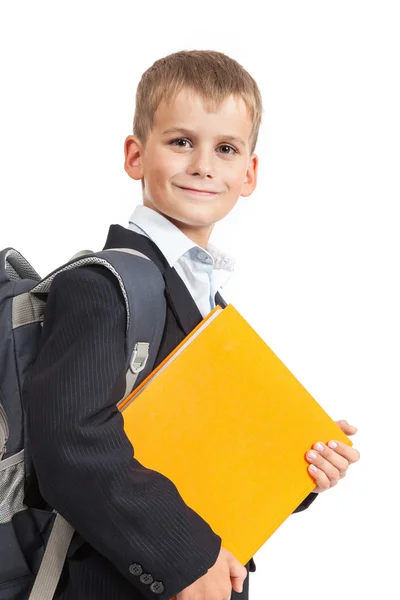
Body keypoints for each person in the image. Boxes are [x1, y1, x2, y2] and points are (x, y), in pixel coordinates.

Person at [22, 50, 360, 600]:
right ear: (135, 156)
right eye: (181, 141)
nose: (204, 164)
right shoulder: (103, 287)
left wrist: (297, 465)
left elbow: (201, 446)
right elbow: (71, 447)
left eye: (225, 149)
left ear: (248, 172)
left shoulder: (204, 297)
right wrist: (185, 556)